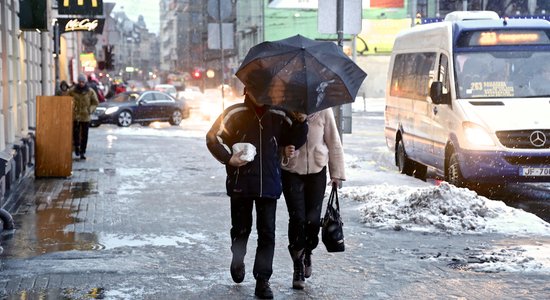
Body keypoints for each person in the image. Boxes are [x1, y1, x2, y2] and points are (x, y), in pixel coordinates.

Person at [206, 90, 308, 299]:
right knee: (241, 229)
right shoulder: (235, 113)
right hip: (240, 184)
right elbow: (212, 137)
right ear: (247, 90)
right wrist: (228, 158)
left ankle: (263, 280)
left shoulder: (281, 114)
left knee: (267, 234)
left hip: (269, 184)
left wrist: (301, 121)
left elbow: (294, 139)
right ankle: (238, 257)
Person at [281, 107, 345, 289]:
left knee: (313, 219)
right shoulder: (285, 110)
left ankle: (308, 250)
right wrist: (283, 151)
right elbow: (275, 140)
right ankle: (298, 263)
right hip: (291, 171)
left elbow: (333, 141)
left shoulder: (324, 110)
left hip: (317, 172)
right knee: (297, 218)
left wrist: (337, 173)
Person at [68, 74, 99, 160]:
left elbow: (95, 102)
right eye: (80, 82)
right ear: (78, 82)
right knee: (76, 134)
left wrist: (90, 110)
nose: (81, 83)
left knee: (84, 135)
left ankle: (82, 151)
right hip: (76, 116)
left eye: (83, 82)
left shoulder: (90, 91)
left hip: (85, 116)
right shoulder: (72, 91)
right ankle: (77, 147)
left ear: (85, 82)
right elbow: (66, 100)